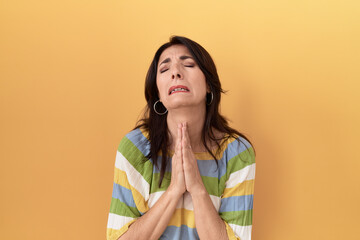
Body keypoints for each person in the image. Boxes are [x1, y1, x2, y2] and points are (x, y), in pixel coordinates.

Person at [106, 35, 256, 240]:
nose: (176, 72)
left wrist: (197, 188)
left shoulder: (237, 153)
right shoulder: (136, 148)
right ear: (158, 93)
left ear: (209, 85)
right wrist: (174, 190)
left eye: (188, 64)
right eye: (165, 69)